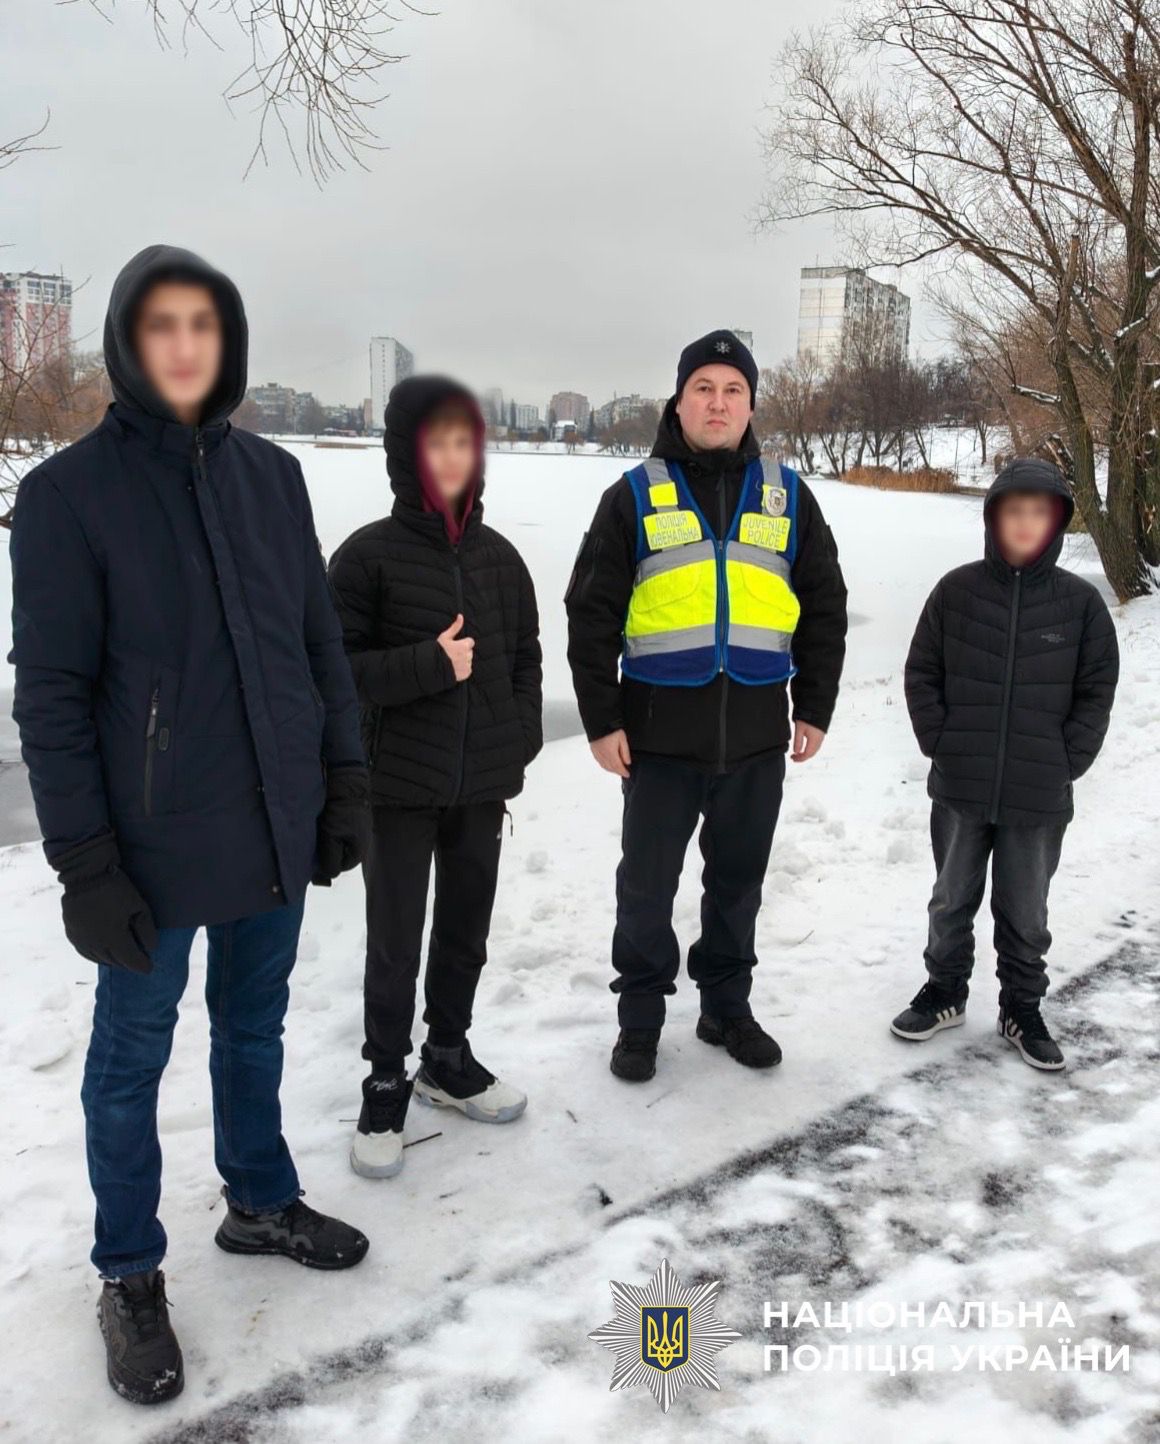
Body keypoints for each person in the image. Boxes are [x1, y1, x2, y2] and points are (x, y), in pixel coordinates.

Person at [9, 246, 372, 1407]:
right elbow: (51, 699)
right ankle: (128, 1271)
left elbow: (316, 645)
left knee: (254, 1027)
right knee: (129, 1062)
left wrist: (341, 781)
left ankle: (257, 1201)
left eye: (201, 325)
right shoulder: (66, 498)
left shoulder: (275, 477)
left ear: (227, 342)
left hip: (270, 820)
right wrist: (85, 864)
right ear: (127, 339)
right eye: (159, 324)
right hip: (149, 851)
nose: (181, 344)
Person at [566, 330, 848, 1082]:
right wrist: (602, 720)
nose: (718, 404)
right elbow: (590, 614)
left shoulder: (787, 494)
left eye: (733, 391)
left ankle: (726, 1007)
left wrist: (814, 705)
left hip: (755, 736)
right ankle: (640, 1020)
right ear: (680, 399)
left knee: (737, 885)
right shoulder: (634, 494)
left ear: (750, 405)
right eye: (704, 388)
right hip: (657, 740)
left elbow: (824, 605)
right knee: (646, 890)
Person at [328, 375, 542, 1180]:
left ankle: (446, 1058)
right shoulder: (366, 558)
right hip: (394, 790)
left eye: (464, 443)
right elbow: (333, 675)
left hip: (479, 787)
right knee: (395, 944)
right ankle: (386, 1079)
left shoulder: (501, 560)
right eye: (436, 443)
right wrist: (428, 665)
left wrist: (517, 739)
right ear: (406, 454)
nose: (452, 458)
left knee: (464, 931)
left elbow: (526, 659)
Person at [894, 457, 1119, 1071]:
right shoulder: (956, 592)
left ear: (1056, 522)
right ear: (994, 519)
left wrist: (1067, 759)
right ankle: (944, 991)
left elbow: (1096, 690)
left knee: (1026, 910)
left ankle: (1022, 1006)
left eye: (1038, 513)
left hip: (1039, 791)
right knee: (950, 899)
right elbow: (922, 671)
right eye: (1014, 511)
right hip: (960, 783)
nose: (1025, 523)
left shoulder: (1080, 606)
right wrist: (941, 741)